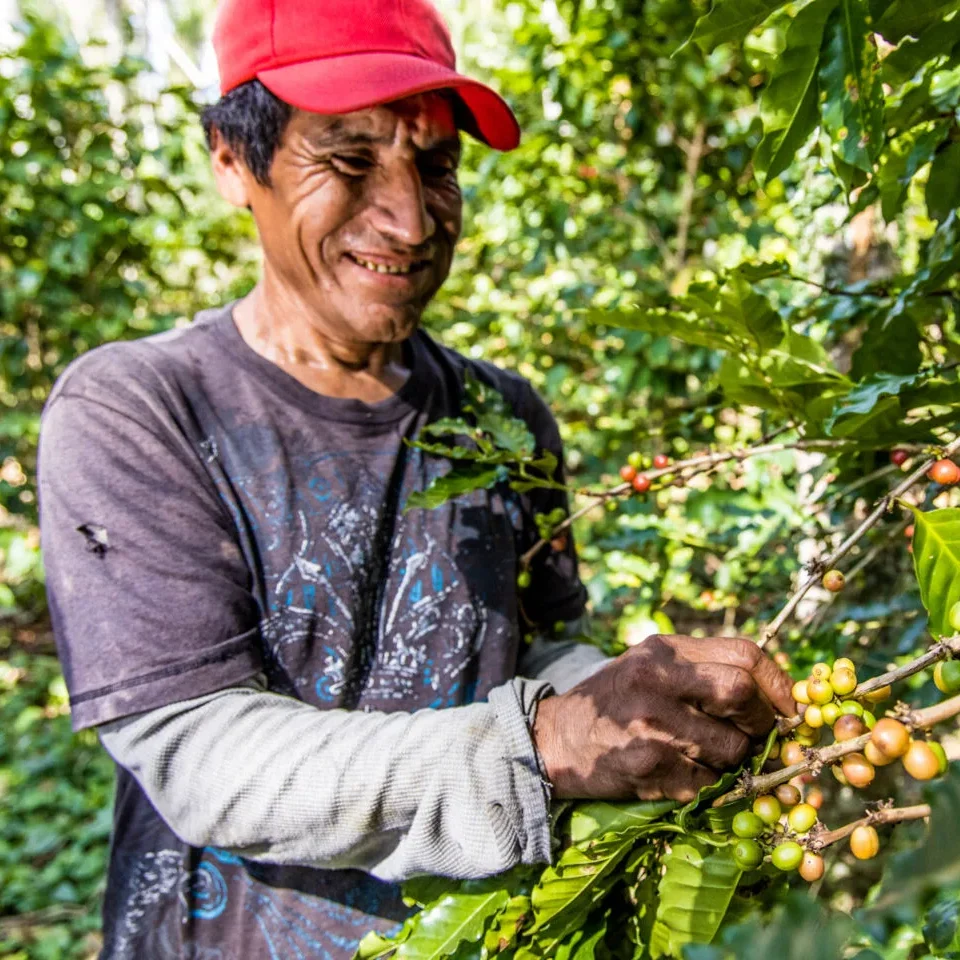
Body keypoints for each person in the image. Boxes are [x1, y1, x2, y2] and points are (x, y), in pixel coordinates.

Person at [37, 0, 796, 956]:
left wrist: (644, 701)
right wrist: (547, 745)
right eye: (348, 161)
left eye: (436, 167)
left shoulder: (501, 417)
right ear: (235, 160)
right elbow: (202, 753)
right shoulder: (140, 409)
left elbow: (537, 647)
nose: (407, 218)